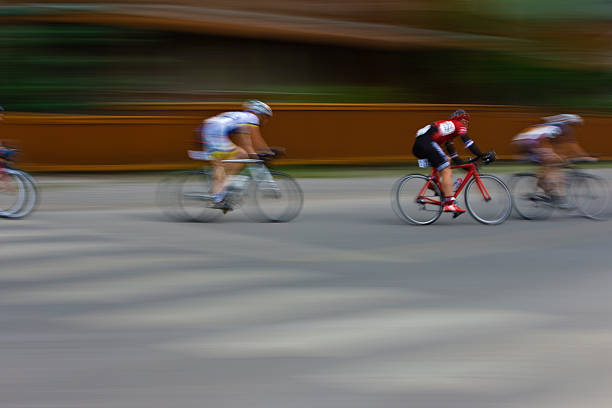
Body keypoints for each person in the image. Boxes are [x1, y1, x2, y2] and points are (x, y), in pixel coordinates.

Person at [194, 100, 274, 207]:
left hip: (207, 128)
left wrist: (260, 152)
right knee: (233, 159)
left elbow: (247, 140)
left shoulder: (242, 116)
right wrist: (259, 155)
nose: (265, 120)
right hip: (215, 131)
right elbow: (252, 141)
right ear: (259, 113)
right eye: (265, 117)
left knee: (238, 155)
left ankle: (220, 190)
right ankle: (218, 198)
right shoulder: (252, 117)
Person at [412, 109, 490, 214]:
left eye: (468, 120)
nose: (466, 122)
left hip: (420, 144)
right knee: (446, 170)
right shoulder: (457, 124)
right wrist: (482, 155)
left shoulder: (448, 134)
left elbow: (455, 158)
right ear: (458, 119)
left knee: (446, 160)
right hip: (427, 141)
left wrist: (467, 166)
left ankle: (433, 181)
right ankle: (449, 204)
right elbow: (469, 143)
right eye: (464, 119)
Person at [511, 113, 595, 205]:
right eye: (574, 124)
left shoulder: (556, 129)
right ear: (568, 123)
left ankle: (544, 190)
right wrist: (583, 157)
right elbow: (549, 143)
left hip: (524, 140)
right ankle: (550, 194)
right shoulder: (560, 128)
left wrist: (568, 157)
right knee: (552, 164)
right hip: (531, 142)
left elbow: (567, 146)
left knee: (551, 164)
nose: (574, 128)